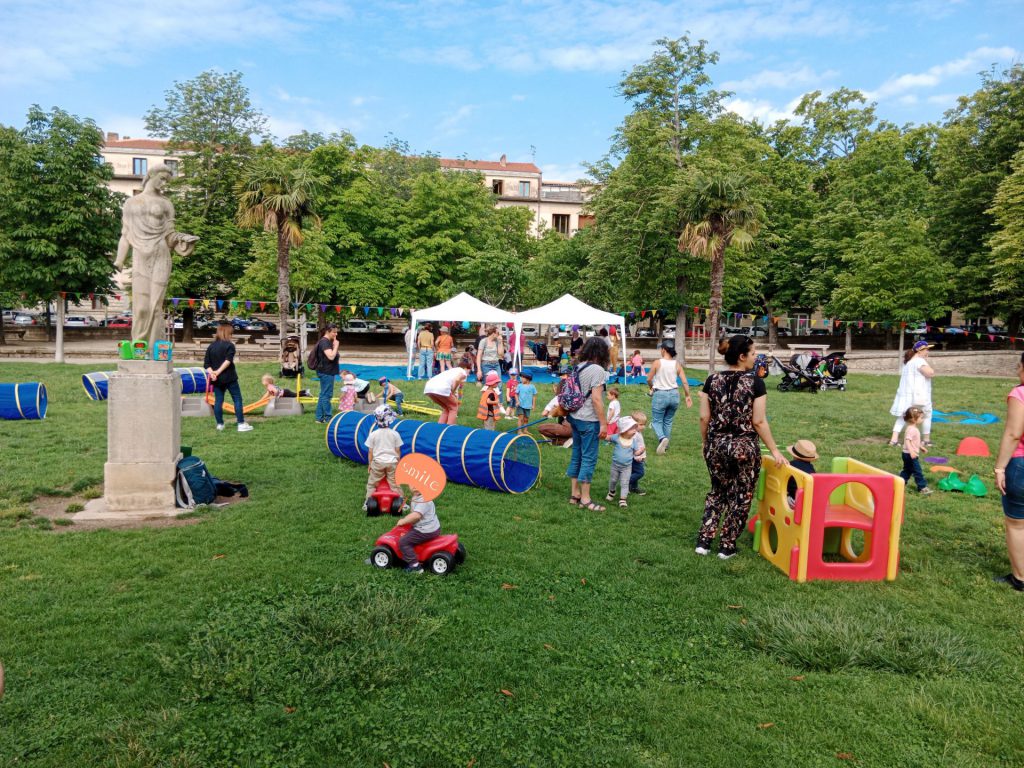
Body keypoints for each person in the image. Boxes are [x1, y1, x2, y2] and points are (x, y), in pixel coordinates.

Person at [697, 335, 786, 559]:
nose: (755, 358)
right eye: (754, 353)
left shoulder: (711, 380)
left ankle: (704, 541)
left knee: (717, 492)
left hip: (716, 445)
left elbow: (704, 418)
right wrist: (774, 450)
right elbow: (758, 421)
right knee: (741, 494)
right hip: (744, 447)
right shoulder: (756, 382)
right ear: (742, 356)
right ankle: (727, 546)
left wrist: (705, 442)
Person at [114, 164, 197, 349]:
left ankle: (154, 350)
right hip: (140, 257)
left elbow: (170, 236)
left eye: (167, 180)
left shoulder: (166, 204)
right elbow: (125, 234)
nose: (164, 183)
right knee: (141, 308)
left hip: (161, 254)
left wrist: (184, 241)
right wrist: (119, 260)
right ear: (151, 174)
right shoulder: (131, 203)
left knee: (156, 307)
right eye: (162, 178)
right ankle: (139, 347)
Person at [567, 337, 611, 512]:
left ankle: (574, 494)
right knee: (589, 458)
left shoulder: (578, 366)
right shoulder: (598, 370)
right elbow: (596, 399)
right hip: (589, 420)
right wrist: (604, 424)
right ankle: (585, 499)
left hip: (575, 417)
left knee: (576, 454)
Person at [993, 353, 1024, 592]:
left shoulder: (1020, 394)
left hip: (1021, 465)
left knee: (1016, 524)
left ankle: (1020, 577)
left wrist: (1000, 467)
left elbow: (1014, 433)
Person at [204, 321, 253, 432]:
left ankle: (220, 424)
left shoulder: (211, 346)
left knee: (218, 401)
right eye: (231, 333)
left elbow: (206, 364)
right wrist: (218, 372)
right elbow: (228, 361)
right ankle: (241, 424)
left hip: (216, 379)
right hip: (229, 377)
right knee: (237, 399)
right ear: (227, 334)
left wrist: (213, 373)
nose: (232, 336)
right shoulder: (230, 345)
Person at [646, 342, 693, 454]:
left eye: (661, 349)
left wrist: (652, 387)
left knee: (656, 421)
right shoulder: (677, 364)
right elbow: (685, 382)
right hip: (674, 395)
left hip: (660, 395)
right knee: (668, 421)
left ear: (663, 350)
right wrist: (687, 396)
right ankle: (665, 447)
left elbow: (648, 379)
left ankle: (662, 438)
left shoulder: (657, 362)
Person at [889, 340, 935, 447]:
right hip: (919, 396)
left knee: (903, 416)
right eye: (926, 349)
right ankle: (926, 440)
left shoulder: (908, 363)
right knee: (927, 415)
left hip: (907, 395)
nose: (928, 351)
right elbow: (930, 373)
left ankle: (894, 440)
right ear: (920, 350)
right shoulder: (919, 361)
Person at [364, 405, 403, 510]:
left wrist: (370, 464)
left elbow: (370, 452)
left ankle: (368, 501)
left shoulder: (373, 434)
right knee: (395, 483)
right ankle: (401, 502)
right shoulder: (395, 434)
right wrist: (398, 463)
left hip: (377, 463)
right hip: (392, 463)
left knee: (372, 484)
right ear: (390, 420)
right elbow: (398, 450)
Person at [395, 488, 442, 573]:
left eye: (418, 485)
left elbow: (416, 516)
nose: (415, 487)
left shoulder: (424, 499)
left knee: (404, 542)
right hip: (431, 527)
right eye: (412, 484)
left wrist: (403, 521)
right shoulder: (417, 496)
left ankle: (415, 567)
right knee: (407, 532)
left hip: (425, 530)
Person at [605, 416, 641, 509]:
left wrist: (640, 452)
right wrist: (601, 435)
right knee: (613, 480)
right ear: (624, 430)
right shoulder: (617, 437)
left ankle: (623, 499)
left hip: (627, 467)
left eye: (635, 428)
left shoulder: (633, 441)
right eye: (632, 429)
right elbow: (607, 437)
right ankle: (612, 492)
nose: (634, 431)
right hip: (615, 466)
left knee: (625, 483)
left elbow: (635, 452)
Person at [424, 360, 471, 425]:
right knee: (454, 407)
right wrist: (453, 391)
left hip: (428, 387)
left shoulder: (452, 370)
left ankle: (440, 427)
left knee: (447, 407)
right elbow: (457, 380)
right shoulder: (463, 372)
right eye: (469, 370)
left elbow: (456, 383)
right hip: (441, 388)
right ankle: (450, 428)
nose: (469, 373)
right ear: (466, 368)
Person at [899, 407, 932, 495]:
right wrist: (912, 451)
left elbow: (914, 441)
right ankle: (922, 487)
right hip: (910, 454)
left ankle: (899, 484)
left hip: (906, 454)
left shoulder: (911, 428)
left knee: (907, 470)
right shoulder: (912, 430)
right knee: (918, 471)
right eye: (921, 417)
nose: (922, 419)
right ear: (914, 419)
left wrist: (921, 447)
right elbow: (907, 441)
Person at [314, 324, 340, 423]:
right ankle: (328, 418)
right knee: (327, 395)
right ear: (327, 332)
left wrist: (334, 345)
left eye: (336, 332)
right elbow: (331, 357)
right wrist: (336, 346)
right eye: (334, 332)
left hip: (326, 371)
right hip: (326, 372)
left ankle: (319, 418)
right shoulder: (324, 342)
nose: (336, 334)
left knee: (323, 394)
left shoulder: (327, 341)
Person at [539, 378, 573, 446]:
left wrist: (553, 412)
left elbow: (544, 413)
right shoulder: (578, 397)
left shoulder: (558, 398)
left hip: (569, 426)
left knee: (541, 428)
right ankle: (569, 439)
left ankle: (563, 440)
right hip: (582, 426)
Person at [786, 439, 819, 506]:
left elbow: (784, 481)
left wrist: (787, 496)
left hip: (792, 500)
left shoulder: (790, 466)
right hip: (809, 500)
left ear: (794, 455)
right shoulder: (811, 468)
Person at [629, 411, 649, 496]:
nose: (643, 427)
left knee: (634, 471)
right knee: (640, 472)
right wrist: (637, 456)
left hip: (639, 457)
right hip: (636, 458)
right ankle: (625, 482)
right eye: (641, 425)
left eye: (644, 424)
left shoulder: (638, 433)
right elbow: (632, 447)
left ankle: (633, 487)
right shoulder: (634, 434)